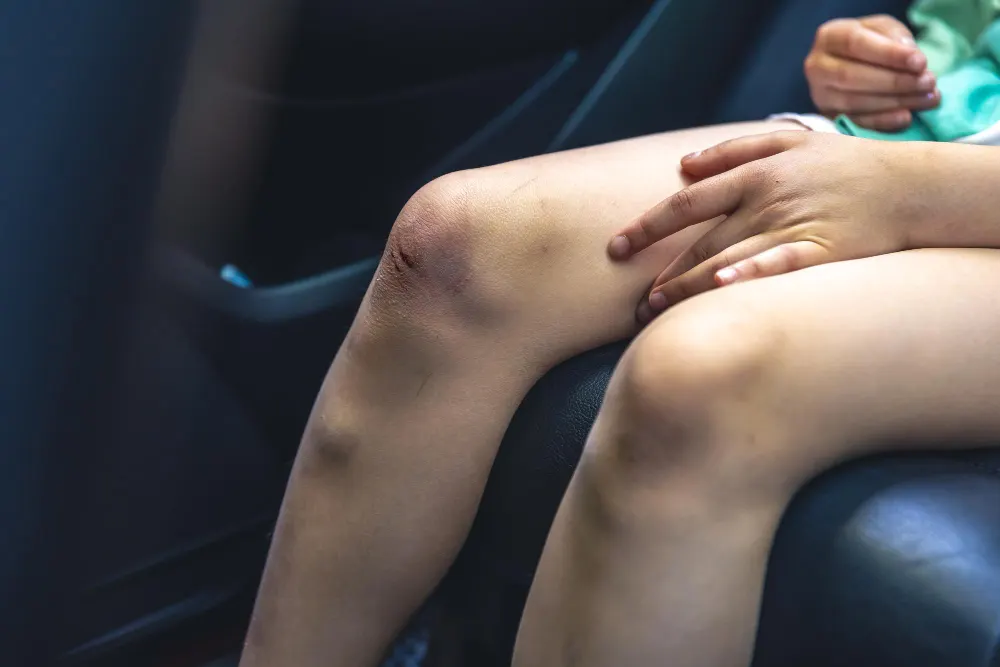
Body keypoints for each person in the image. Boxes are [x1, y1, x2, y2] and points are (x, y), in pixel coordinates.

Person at [239, 5, 1000, 667]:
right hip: (939, 136)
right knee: (452, 247)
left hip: (953, 186)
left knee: (699, 373)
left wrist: (914, 195)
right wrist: (877, 57)